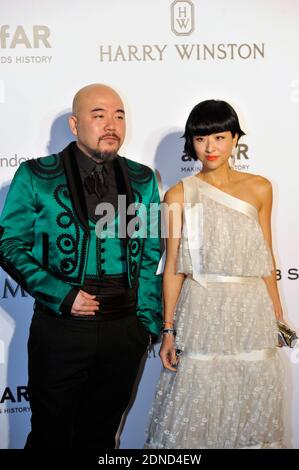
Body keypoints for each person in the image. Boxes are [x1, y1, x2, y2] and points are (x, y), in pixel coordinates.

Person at [0, 83, 162, 448]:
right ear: (75, 125)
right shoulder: (36, 175)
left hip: (125, 331)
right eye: (99, 114)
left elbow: (151, 251)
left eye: (119, 115)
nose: (112, 124)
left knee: (101, 437)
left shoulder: (142, 179)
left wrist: (146, 324)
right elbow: (8, 243)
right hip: (61, 329)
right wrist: (62, 293)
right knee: (50, 436)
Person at [145, 99, 284, 449]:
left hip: (251, 310)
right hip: (202, 309)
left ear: (235, 138)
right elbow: (174, 266)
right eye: (201, 139)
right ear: (191, 142)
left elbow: (265, 255)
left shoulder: (260, 188)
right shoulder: (178, 194)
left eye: (219, 137)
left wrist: (277, 315)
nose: (210, 147)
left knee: (251, 397)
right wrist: (168, 329)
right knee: (195, 402)